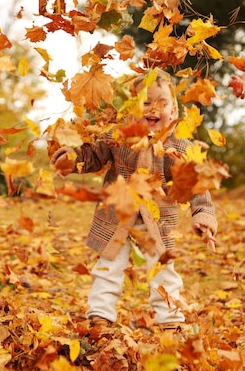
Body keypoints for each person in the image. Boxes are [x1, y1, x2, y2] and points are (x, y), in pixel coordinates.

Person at [51, 69, 218, 331]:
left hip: (158, 221)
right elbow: (92, 156)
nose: (154, 108)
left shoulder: (181, 147)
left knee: (163, 269)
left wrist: (202, 217)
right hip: (117, 214)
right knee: (108, 265)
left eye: (162, 103)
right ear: (131, 109)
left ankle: (171, 321)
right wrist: (69, 159)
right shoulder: (119, 137)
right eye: (146, 102)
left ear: (173, 112)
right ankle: (100, 317)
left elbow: (197, 185)